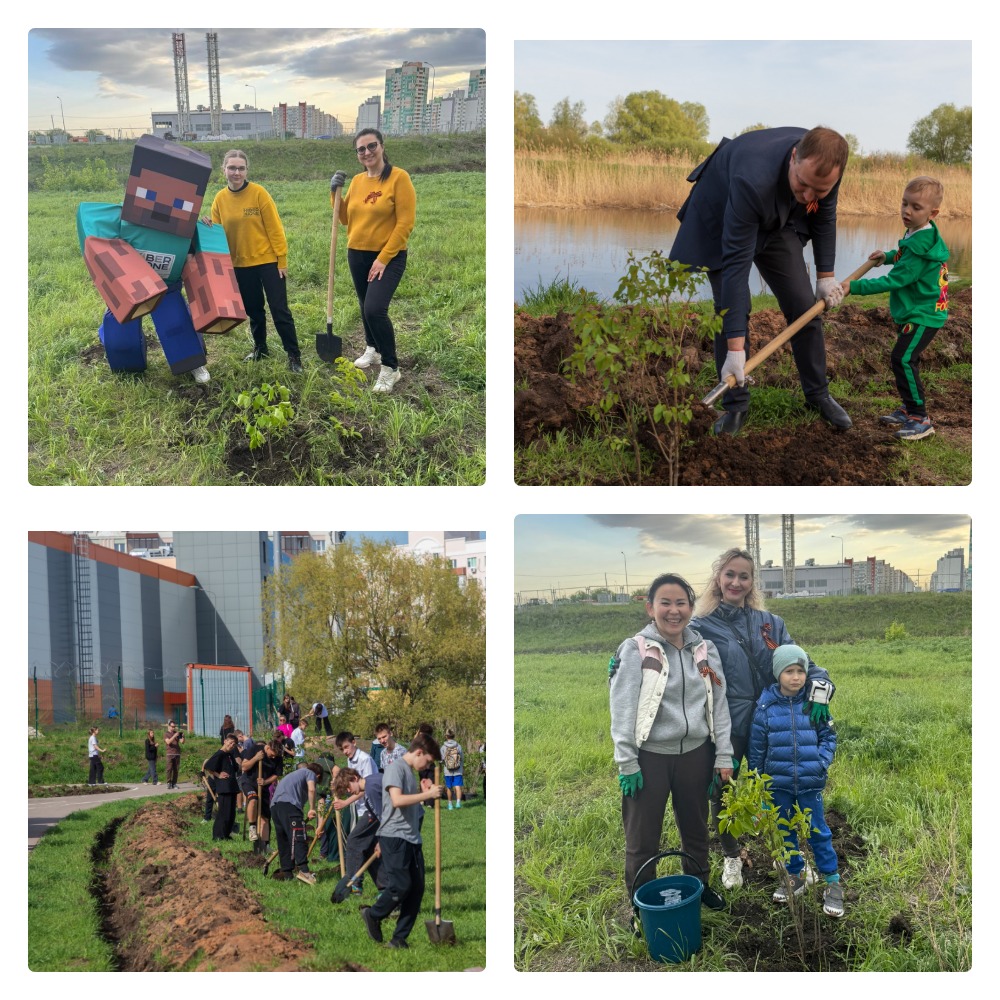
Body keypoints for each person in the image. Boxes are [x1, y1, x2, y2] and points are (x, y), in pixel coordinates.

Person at [670, 126, 851, 436]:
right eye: (803, 184)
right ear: (794, 157)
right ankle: (735, 404)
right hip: (722, 213)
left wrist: (826, 277)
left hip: (775, 218)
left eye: (818, 191)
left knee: (803, 305)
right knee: (730, 309)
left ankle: (817, 394)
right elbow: (736, 268)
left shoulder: (826, 167)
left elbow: (824, 216)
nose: (808, 197)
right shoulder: (752, 178)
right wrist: (736, 352)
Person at [690, 548, 835, 891]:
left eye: (744, 576)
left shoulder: (770, 624)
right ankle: (731, 856)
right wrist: (629, 659)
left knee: (777, 789)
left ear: (753, 582)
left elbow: (805, 663)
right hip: (729, 722)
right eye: (730, 575)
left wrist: (819, 694)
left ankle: (786, 858)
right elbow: (669, 648)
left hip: (774, 720)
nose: (736, 582)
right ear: (718, 578)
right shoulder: (700, 626)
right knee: (722, 791)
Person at [610, 573, 733, 921]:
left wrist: (722, 754)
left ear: (691, 609)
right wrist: (627, 763)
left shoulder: (705, 651)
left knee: (696, 830)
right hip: (649, 759)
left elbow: (719, 705)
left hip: (696, 755)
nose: (673, 610)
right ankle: (639, 905)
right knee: (642, 838)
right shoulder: (635, 649)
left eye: (681, 603)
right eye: (665, 602)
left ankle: (700, 885)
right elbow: (622, 708)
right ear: (651, 607)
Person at [76, 134, 245, 383]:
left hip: (168, 286)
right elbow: (89, 219)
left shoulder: (188, 223)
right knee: (120, 331)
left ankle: (192, 363)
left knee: (176, 324)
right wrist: (105, 269)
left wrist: (204, 225)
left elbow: (208, 249)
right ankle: (126, 364)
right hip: (132, 286)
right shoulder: (126, 214)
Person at [841, 176, 950, 442]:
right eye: (904, 204)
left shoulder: (921, 245)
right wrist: (886, 257)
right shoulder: (918, 232)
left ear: (932, 213)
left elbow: (896, 280)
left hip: (924, 314)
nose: (907, 211)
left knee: (902, 359)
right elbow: (904, 256)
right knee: (902, 359)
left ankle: (920, 418)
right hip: (918, 309)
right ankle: (908, 408)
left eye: (915, 207)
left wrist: (852, 287)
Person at [748, 644, 843, 918]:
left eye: (801, 671)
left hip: (810, 784)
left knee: (818, 831)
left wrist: (821, 761)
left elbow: (829, 736)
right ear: (778, 674)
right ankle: (794, 876)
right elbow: (757, 750)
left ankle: (832, 883)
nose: (796, 677)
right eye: (789, 671)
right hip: (778, 785)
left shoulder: (813, 704)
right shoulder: (765, 709)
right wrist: (759, 784)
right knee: (785, 831)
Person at [330, 128, 417, 394]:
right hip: (356, 252)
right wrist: (334, 193)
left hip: (388, 256)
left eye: (371, 146)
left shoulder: (399, 178)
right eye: (361, 149)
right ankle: (373, 349)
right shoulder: (356, 182)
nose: (367, 152)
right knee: (364, 303)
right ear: (357, 154)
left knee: (374, 309)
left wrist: (383, 259)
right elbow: (344, 218)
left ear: (381, 146)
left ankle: (391, 367)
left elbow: (405, 224)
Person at [208, 149, 302, 372]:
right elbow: (216, 234)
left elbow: (275, 229)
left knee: (280, 310)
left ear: (246, 170)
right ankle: (261, 348)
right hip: (240, 266)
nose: (236, 172)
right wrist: (207, 225)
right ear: (224, 170)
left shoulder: (259, 193)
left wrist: (282, 260)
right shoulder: (220, 199)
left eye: (241, 168)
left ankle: (294, 355)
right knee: (254, 310)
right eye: (232, 168)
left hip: (268, 262)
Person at [360, 732, 443, 948]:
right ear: (419, 752)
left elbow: (408, 801)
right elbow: (396, 800)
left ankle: (399, 938)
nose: (427, 766)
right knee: (400, 885)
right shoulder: (395, 768)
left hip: (411, 837)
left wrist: (421, 792)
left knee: (416, 889)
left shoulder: (409, 771)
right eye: (428, 761)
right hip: (394, 836)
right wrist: (427, 795)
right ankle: (373, 914)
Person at [270, 761, 324, 884]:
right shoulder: (309, 773)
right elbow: (311, 790)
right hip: (289, 807)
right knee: (298, 837)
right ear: (318, 776)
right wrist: (312, 808)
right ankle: (304, 872)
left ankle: (287, 872)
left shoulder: (294, 775)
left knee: (283, 839)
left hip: (275, 807)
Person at [333, 766, 385, 894]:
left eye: (348, 787)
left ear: (355, 778)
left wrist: (383, 840)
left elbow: (384, 816)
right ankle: (384, 887)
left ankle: (355, 884)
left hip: (400, 816)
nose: (349, 791)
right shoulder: (368, 785)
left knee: (357, 841)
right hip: (378, 814)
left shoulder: (371, 787)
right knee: (366, 845)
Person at [205, 733, 240, 841]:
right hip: (224, 787)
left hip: (231, 786)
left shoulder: (229, 755)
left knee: (231, 813)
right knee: (223, 812)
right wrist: (218, 775)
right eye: (230, 742)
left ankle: (226, 834)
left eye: (234, 744)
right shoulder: (219, 754)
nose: (232, 745)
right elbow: (208, 766)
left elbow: (235, 768)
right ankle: (218, 835)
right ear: (225, 741)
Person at [440, 730, 464, 810]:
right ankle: (458, 803)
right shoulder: (458, 746)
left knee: (449, 787)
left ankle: (450, 805)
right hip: (458, 769)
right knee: (457, 786)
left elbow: (441, 759)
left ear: (446, 736)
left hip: (448, 770)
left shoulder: (443, 747)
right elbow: (462, 758)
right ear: (454, 736)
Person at [164, 721, 185, 789]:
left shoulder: (176, 733)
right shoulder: (166, 734)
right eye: (172, 726)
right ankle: (168, 783)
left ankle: (174, 783)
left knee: (176, 770)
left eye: (174, 726)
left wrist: (183, 737)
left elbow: (182, 742)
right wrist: (174, 736)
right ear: (169, 726)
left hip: (177, 753)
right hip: (170, 753)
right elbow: (168, 742)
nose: (173, 728)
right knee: (169, 769)